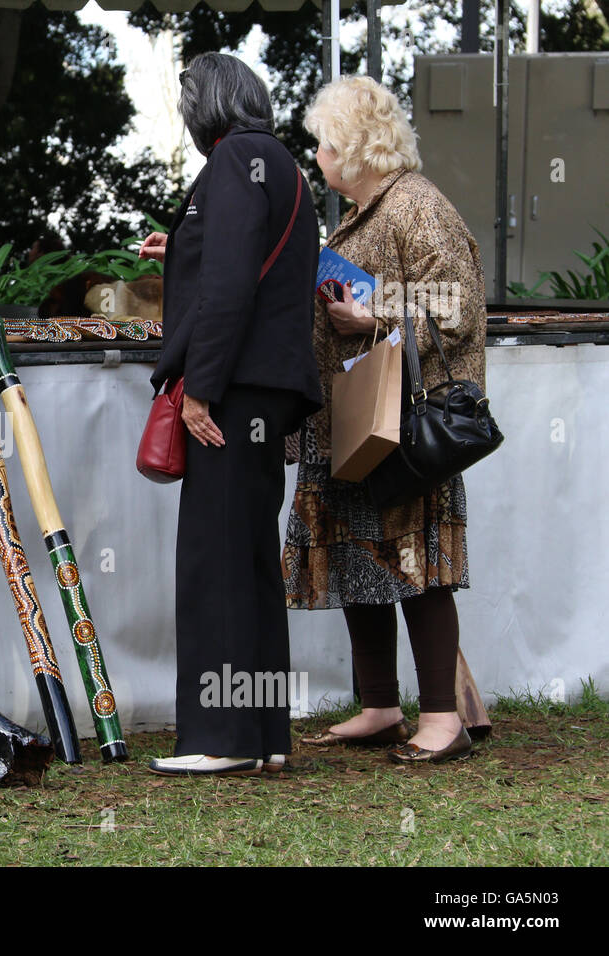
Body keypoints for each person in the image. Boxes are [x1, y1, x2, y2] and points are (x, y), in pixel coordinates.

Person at [285, 76, 487, 764]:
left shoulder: (416, 206)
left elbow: (459, 305)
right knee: (357, 560)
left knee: (414, 567)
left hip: (405, 428)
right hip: (358, 422)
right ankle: (381, 706)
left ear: (354, 145)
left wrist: (374, 317)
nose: (316, 155)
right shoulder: (364, 212)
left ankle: (443, 720)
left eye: (323, 143)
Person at [140, 52, 322, 777]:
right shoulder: (282, 166)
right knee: (251, 560)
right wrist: (181, 244)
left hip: (233, 386)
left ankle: (217, 738)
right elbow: (248, 266)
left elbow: (228, 288)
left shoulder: (233, 161)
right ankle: (265, 735)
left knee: (214, 556)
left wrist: (201, 389)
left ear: (206, 105)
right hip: (268, 388)